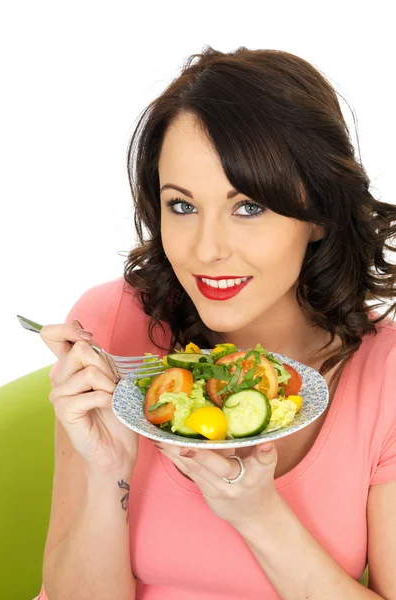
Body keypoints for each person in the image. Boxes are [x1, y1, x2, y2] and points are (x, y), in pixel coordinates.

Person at [32, 46, 396, 600]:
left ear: (319, 214)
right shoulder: (108, 326)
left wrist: (258, 516)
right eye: (182, 206)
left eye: (248, 206)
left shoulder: (386, 375)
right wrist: (109, 473)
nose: (206, 250)